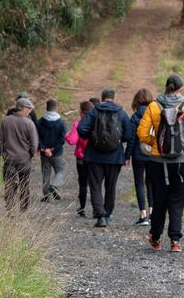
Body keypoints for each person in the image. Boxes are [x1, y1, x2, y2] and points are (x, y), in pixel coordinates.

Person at [138, 75, 184, 252]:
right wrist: (183, 145)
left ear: (166, 87)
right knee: (177, 201)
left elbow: (142, 133)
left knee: (159, 200)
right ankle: (175, 241)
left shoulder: (153, 106)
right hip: (183, 162)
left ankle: (156, 238)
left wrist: (155, 143)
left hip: (158, 163)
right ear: (180, 89)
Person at [77, 88, 132, 228]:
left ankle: (100, 215)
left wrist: (93, 137)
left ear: (102, 98)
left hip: (94, 155)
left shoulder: (94, 111)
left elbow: (81, 128)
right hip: (115, 157)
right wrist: (123, 150)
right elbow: (129, 135)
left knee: (95, 186)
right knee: (111, 187)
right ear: (114, 97)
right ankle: (107, 214)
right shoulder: (121, 113)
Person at [0, 97, 39, 212]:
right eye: (29, 109)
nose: (30, 111)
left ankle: (10, 207)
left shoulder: (5, 121)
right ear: (22, 109)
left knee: (9, 184)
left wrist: (3, 154)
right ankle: (23, 208)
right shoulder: (29, 123)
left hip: (9, 159)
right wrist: (30, 155)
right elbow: (34, 144)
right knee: (24, 184)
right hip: (24, 160)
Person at [128, 88, 155, 226]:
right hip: (152, 155)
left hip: (138, 155)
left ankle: (143, 215)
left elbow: (131, 138)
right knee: (150, 183)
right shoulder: (155, 114)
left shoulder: (134, 117)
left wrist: (127, 156)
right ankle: (152, 213)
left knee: (139, 183)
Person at [66, 101, 93, 217]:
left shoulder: (78, 123)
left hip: (81, 158)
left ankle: (82, 207)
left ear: (81, 111)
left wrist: (66, 135)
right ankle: (97, 209)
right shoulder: (95, 122)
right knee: (94, 184)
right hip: (94, 158)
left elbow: (72, 141)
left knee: (82, 184)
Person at [37, 99, 67, 202]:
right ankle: (54, 185)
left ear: (46, 108)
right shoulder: (61, 123)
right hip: (57, 153)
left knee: (46, 173)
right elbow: (62, 139)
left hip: (44, 152)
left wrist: (44, 148)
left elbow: (37, 138)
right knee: (60, 170)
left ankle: (46, 196)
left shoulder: (40, 122)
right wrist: (53, 149)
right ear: (56, 108)